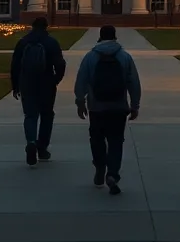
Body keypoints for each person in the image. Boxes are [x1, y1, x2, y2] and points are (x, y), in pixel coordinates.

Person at [73, 25, 142, 195]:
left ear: (100, 37)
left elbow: (81, 80)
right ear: (115, 37)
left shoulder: (90, 57)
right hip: (118, 107)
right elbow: (134, 83)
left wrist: (80, 101)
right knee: (116, 142)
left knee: (96, 139)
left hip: (96, 108)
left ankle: (100, 167)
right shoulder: (125, 57)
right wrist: (135, 105)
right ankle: (112, 174)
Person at [9, 17, 67, 167]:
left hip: (27, 83)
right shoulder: (51, 42)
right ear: (46, 27)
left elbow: (15, 66)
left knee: (30, 115)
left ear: (32, 26)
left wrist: (15, 86)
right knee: (47, 115)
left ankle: (31, 142)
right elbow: (60, 64)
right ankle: (42, 148)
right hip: (46, 82)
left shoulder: (23, 42)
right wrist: (55, 80)